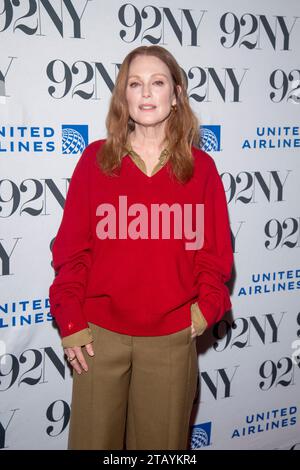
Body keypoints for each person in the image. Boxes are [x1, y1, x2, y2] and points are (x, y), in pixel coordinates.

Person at [49, 45, 233, 450]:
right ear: (124, 97)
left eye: (157, 82)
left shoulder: (201, 169)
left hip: (171, 338)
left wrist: (203, 313)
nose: (146, 93)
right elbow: (71, 253)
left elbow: (214, 256)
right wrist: (71, 320)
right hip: (98, 336)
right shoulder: (94, 160)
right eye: (135, 84)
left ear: (177, 94)